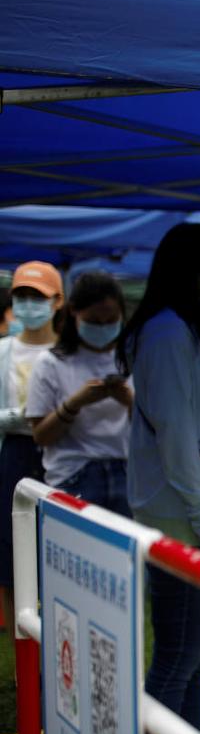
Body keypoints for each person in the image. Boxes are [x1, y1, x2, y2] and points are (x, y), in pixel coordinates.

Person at [118, 222, 200, 729]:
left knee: (193, 662)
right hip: (186, 521)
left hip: (196, 516)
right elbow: (176, 440)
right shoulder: (168, 333)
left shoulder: (184, 332)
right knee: (178, 660)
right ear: (186, 275)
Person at [27, 271, 132, 517]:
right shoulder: (50, 363)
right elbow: (41, 435)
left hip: (127, 473)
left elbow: (155, 430)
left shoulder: (132, 360)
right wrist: (75, 403)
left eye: (111, 320)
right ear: (74, 312)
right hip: (74, 475)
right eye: (94, 321)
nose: (104, 327)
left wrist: (129, 402)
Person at [0, 260, 63, 666]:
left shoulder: (67, 351)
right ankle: (24, 661)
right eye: (21, 296)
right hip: (15, 456)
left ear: (57, 301)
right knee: (9, 563)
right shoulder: (3, 349)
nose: (28, 304)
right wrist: (18, 419)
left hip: (61, 458)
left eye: (37, 297)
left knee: (60, 557)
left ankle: (60, 656)